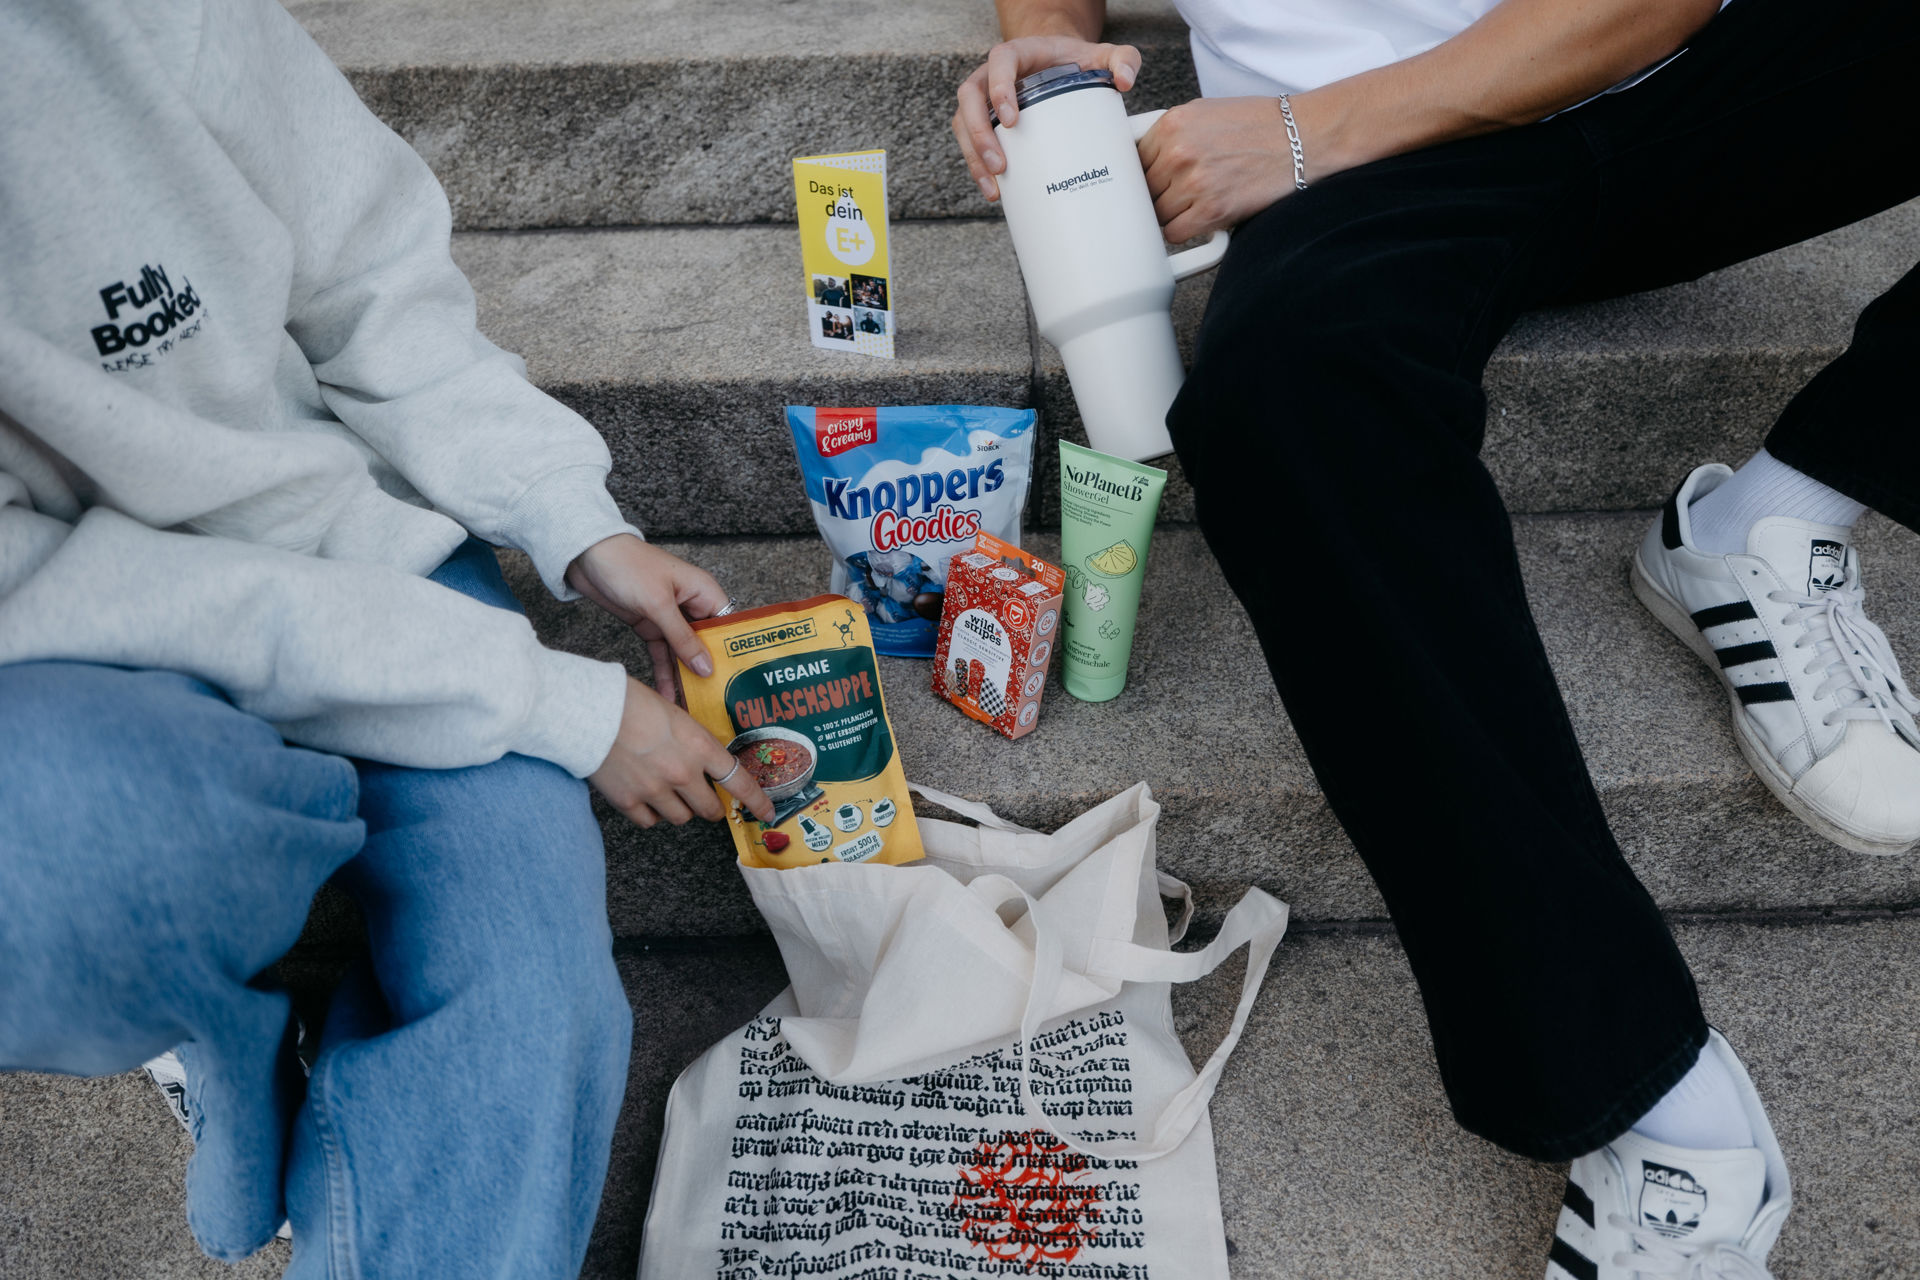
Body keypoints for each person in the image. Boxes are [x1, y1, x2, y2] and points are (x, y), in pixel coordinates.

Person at [953, 0, 1919, 1275]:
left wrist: (1306, 132)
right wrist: (1046, 40)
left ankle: (1784, 512)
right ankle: (1645, 1095)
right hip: (1373, 192)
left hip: (1666, 89)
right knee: (1281, 395)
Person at [0, 0, 773, 1276]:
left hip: (361, 558)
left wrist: (578, 527)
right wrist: (553, 702)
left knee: (532, 995)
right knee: (69, 879)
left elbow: (371, 286)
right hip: (78, 676)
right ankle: (226, 1037)